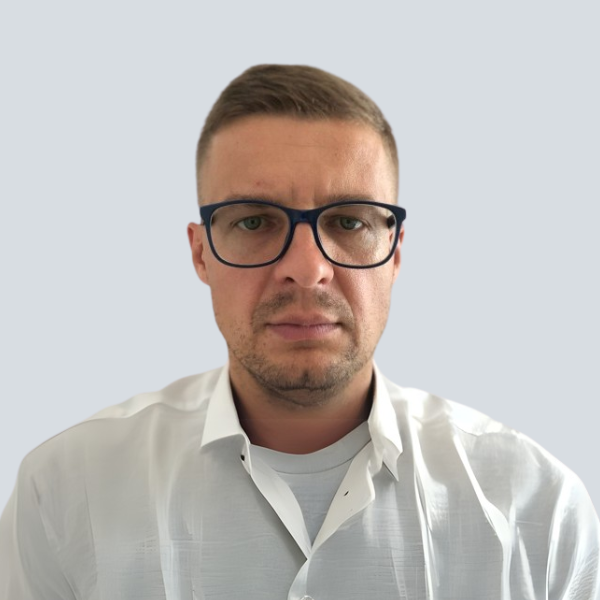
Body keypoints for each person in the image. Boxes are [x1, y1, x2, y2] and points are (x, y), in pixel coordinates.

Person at [1, 64, 598, 600]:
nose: (307, 268)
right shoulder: (66, 493)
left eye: (350, 222)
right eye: (254, 221)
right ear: (201, 253)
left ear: (394, 252)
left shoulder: (536, 509)